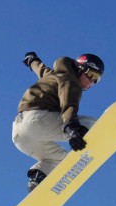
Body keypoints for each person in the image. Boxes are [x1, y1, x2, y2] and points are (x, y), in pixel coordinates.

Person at [12, 51, 104, 192]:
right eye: (91, 75)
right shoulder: (70, 80)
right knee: (92, 123)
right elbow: (69, 103)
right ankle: (85, 139)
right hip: (37, 120)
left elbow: (41, 70)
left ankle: (38, 177)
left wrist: (32, 61)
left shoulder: (54, 76)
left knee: (63, 162)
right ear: (80, 69)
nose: (91, 82)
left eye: (96, 79)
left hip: (20, 135)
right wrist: (71, 127)